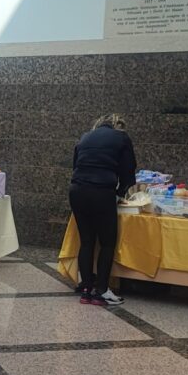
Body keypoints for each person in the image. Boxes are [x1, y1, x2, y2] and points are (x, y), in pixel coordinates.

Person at [68, 113, 136, 306]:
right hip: (102, 191)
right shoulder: (121, 137)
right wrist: (120, 193)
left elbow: (76, 164)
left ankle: (86, 288)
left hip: (77, 190)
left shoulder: (85, 137)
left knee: (86, 241)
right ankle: (102, 291)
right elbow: (128, 170)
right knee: (107, 243)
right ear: (118, 126)